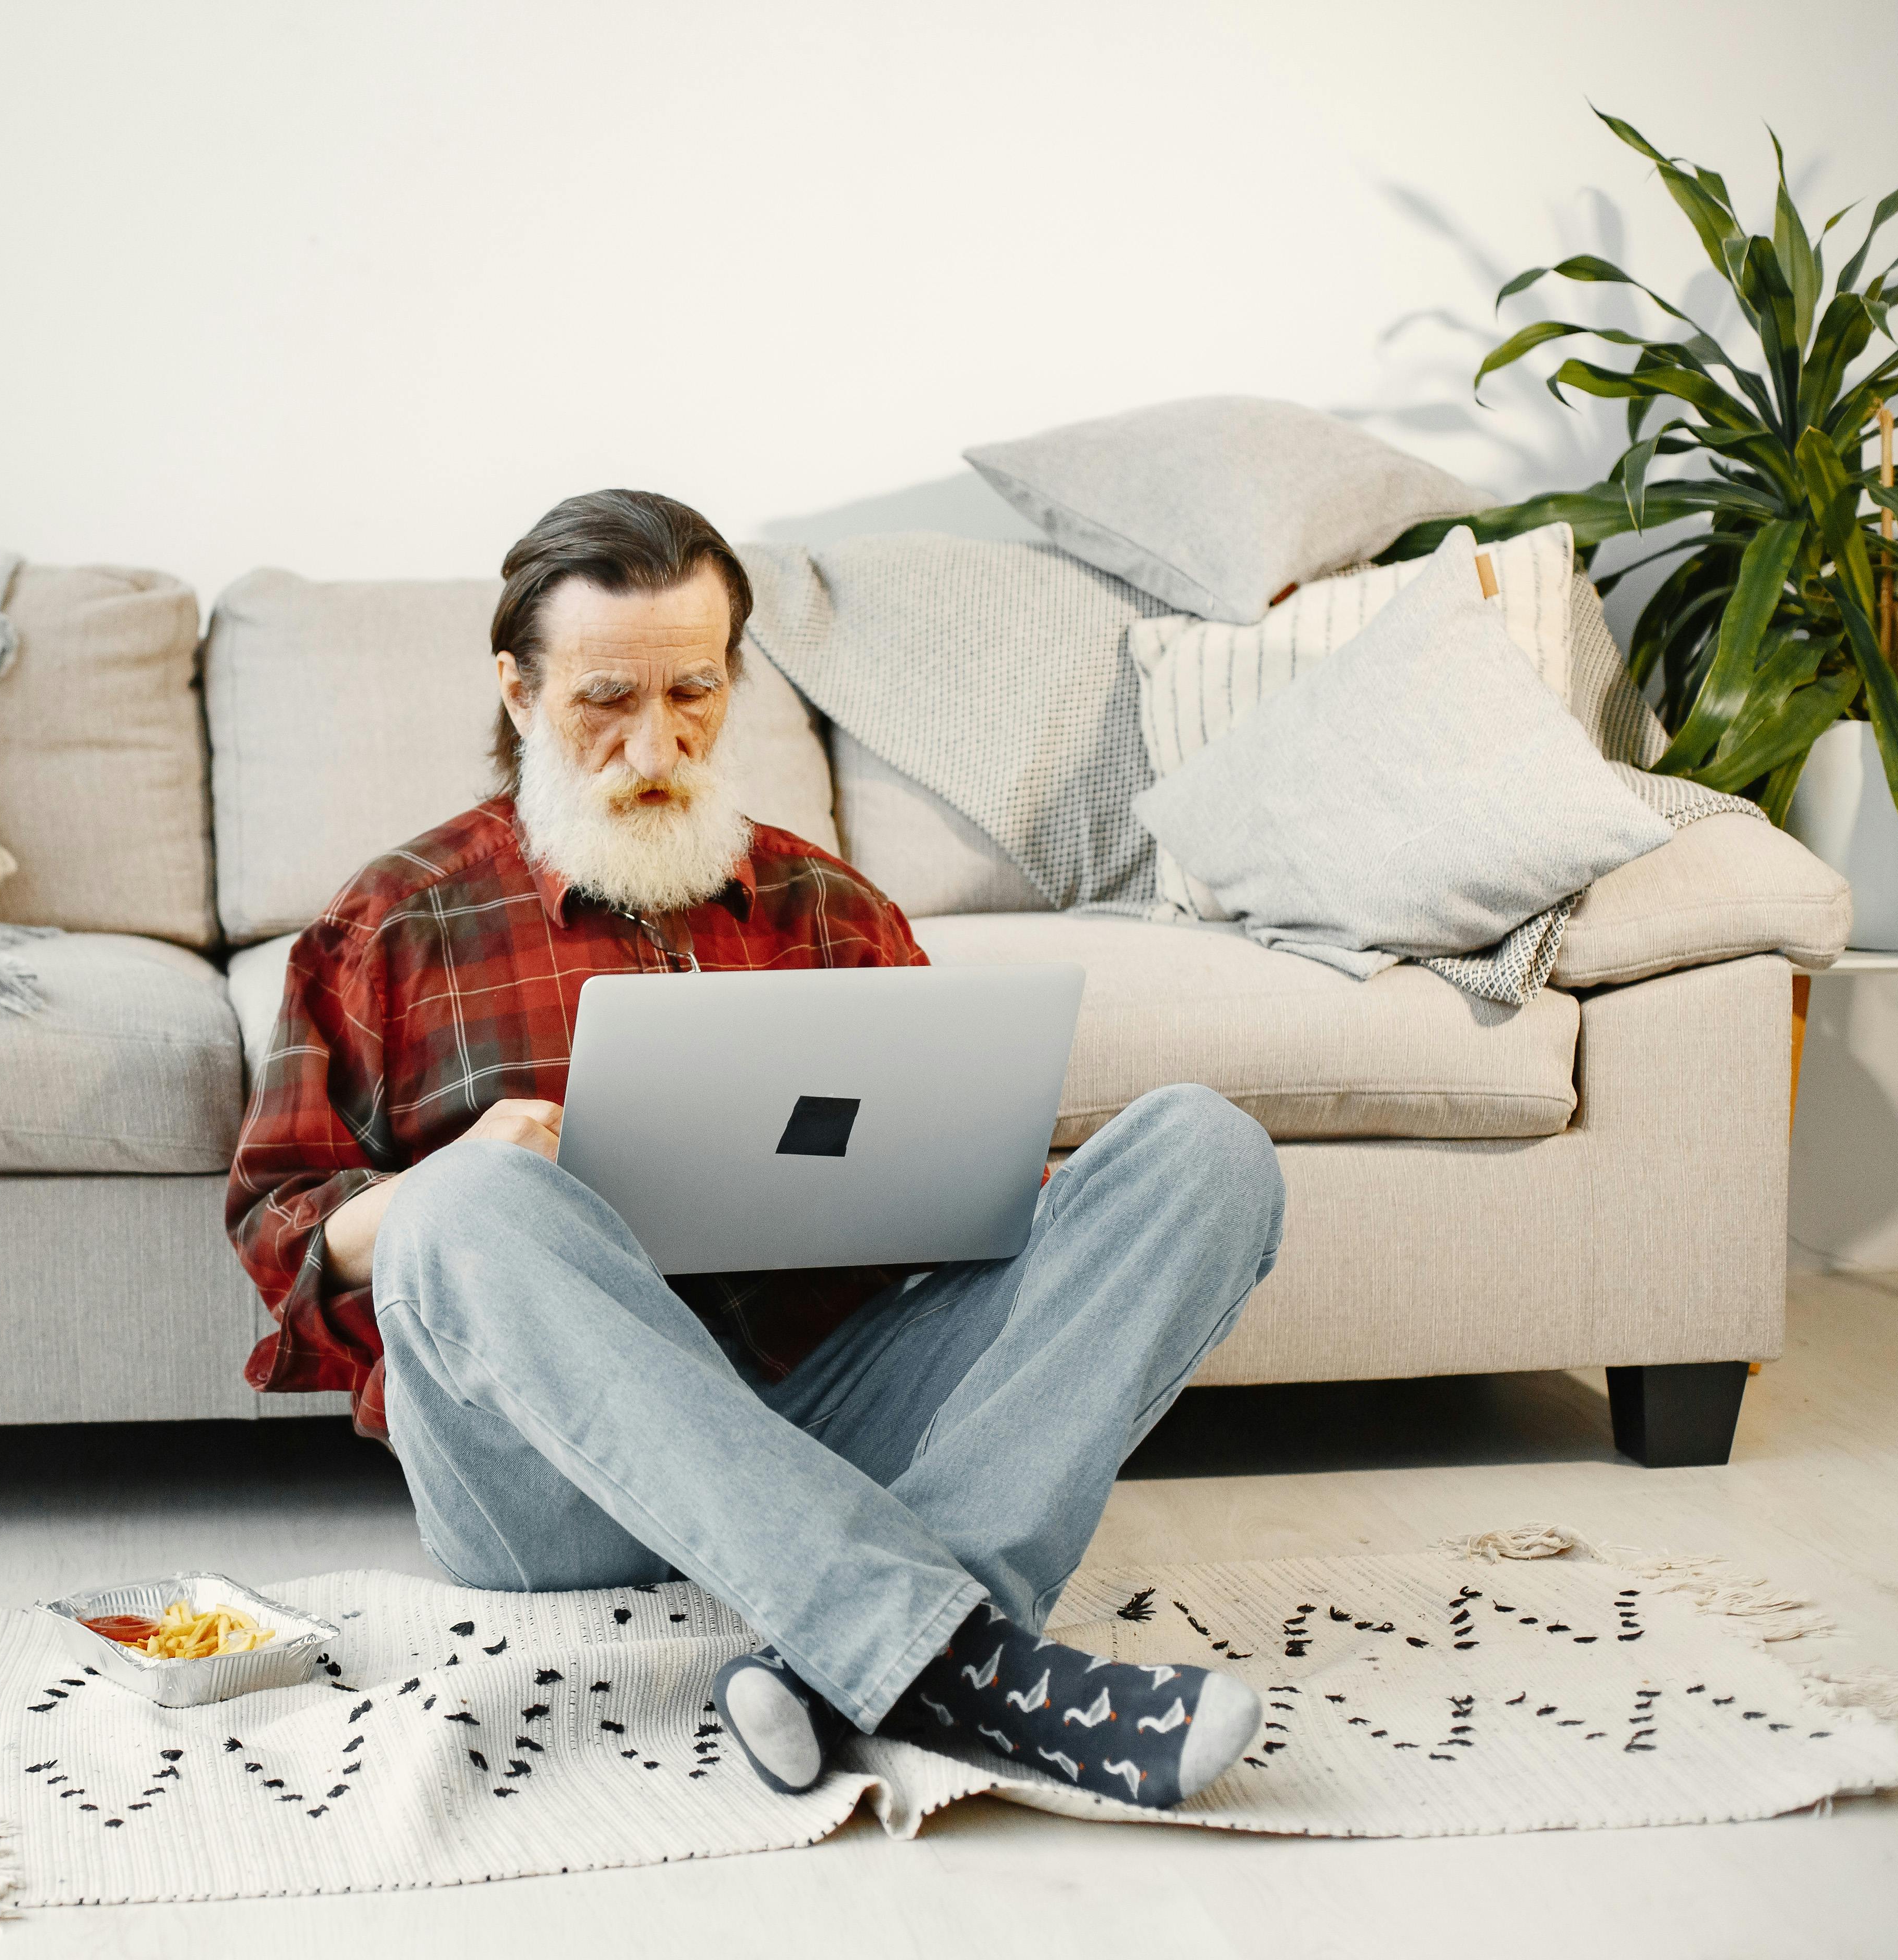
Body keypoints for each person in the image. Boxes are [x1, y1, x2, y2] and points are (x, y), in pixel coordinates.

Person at [227, 489, 1284, 1806]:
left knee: (1206, 1150)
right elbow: (278, 1230)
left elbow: (953, 1181)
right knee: (465, 1208)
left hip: (830, 1411)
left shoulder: (830, 905)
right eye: (606, 699)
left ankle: (860, 1663)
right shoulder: (393, 921)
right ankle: (967, 1664)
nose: (656, 743)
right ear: (517, 688)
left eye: (695, 693)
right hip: (546, 1486)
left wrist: (1020, 1204)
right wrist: (452, 1185)